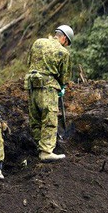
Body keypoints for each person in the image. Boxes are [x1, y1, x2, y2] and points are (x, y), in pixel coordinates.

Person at [24, 25, 73, 162]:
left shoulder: (37, 42)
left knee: (35, 118)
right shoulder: (63, 53)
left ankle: (39, 146)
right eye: (67, 43)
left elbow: (29, 62)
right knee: (49, 118)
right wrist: (61, 87)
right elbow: (64, 76)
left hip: (32, 85)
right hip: (48, 87)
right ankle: (46, 151)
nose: (66, 46)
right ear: (64, 38)